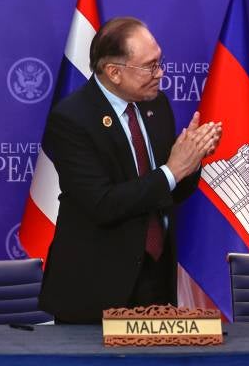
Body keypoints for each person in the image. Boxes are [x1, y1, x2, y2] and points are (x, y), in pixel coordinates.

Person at [39, 17, 221, 323]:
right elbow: (102, 204)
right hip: (95, 289)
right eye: (150, 66)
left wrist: (191, 160)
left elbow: (168, 191)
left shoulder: (157, 106)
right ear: (114, 72)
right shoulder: (71, 120)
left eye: (160, 62)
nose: (160, 73)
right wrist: (173, 170)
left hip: (156, 279)